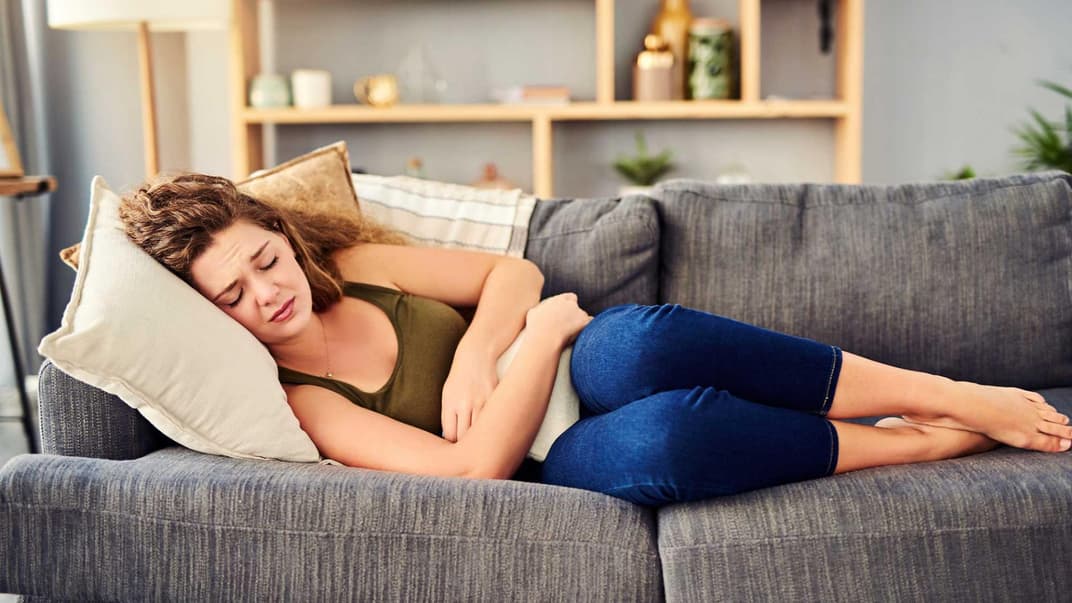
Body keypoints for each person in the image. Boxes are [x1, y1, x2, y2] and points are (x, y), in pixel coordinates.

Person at [119, 173, 1072, 506]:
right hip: (547, 450)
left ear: (282, 236)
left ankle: (944, 391)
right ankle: (918, 441)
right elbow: (472, 470)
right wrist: (537, 341)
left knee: (642, 345)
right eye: (232, 294)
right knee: (666, 441)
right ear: (212, 314)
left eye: (264, 260)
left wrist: (500, 341)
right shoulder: (303, 402)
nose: (267, 293)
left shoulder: (360, 268)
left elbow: (517, 273)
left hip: (586, 361)